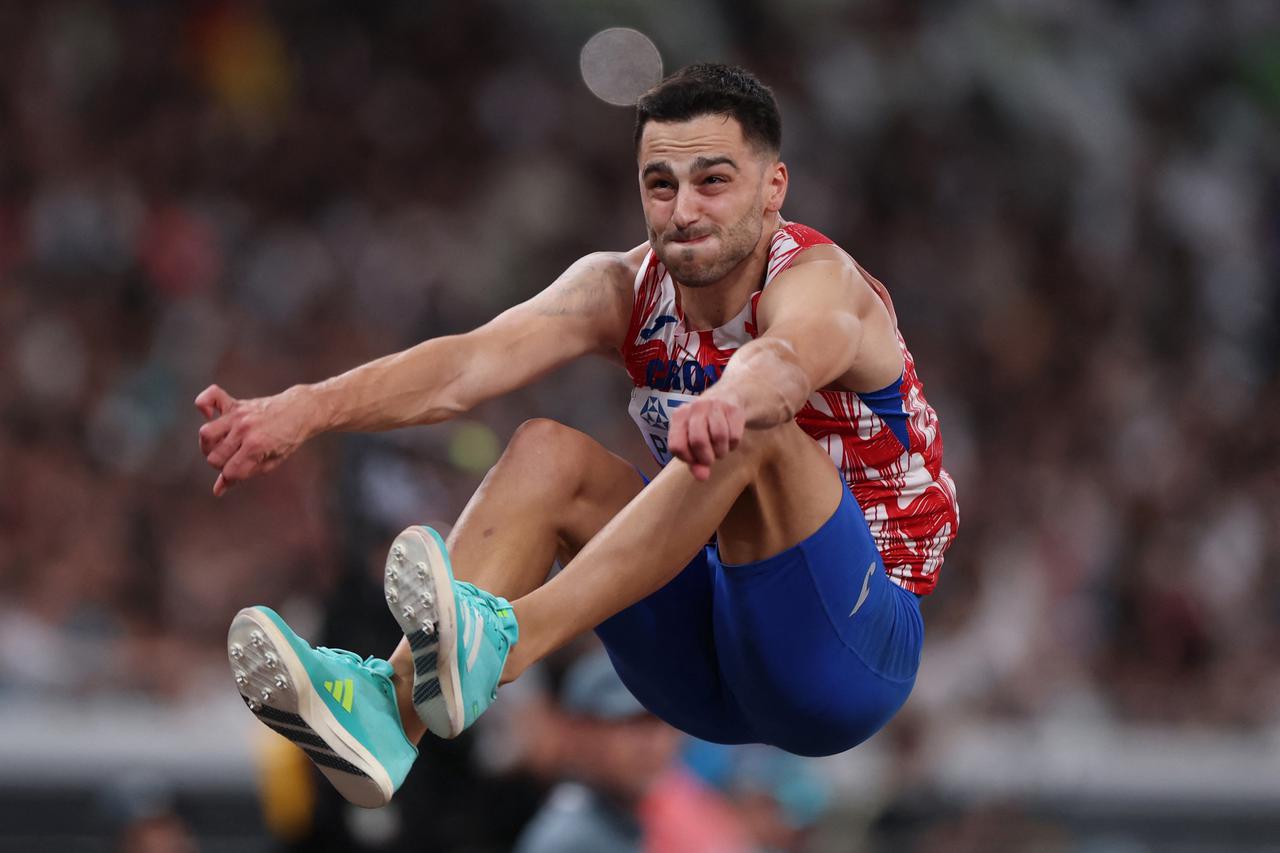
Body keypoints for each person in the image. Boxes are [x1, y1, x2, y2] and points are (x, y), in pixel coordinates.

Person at [198, 63, 958, 809]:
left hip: (849, 653)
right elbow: (466, 364)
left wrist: (736, 397)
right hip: (704, 665)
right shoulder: (623, 289)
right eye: (661, 185)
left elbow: (787, 357)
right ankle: (387, 713)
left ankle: (505, 640)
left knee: (756, 429)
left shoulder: (822, 280)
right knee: (546, 450)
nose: (683, 209)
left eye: (713, 182)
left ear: (773, 189)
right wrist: (303, 408)